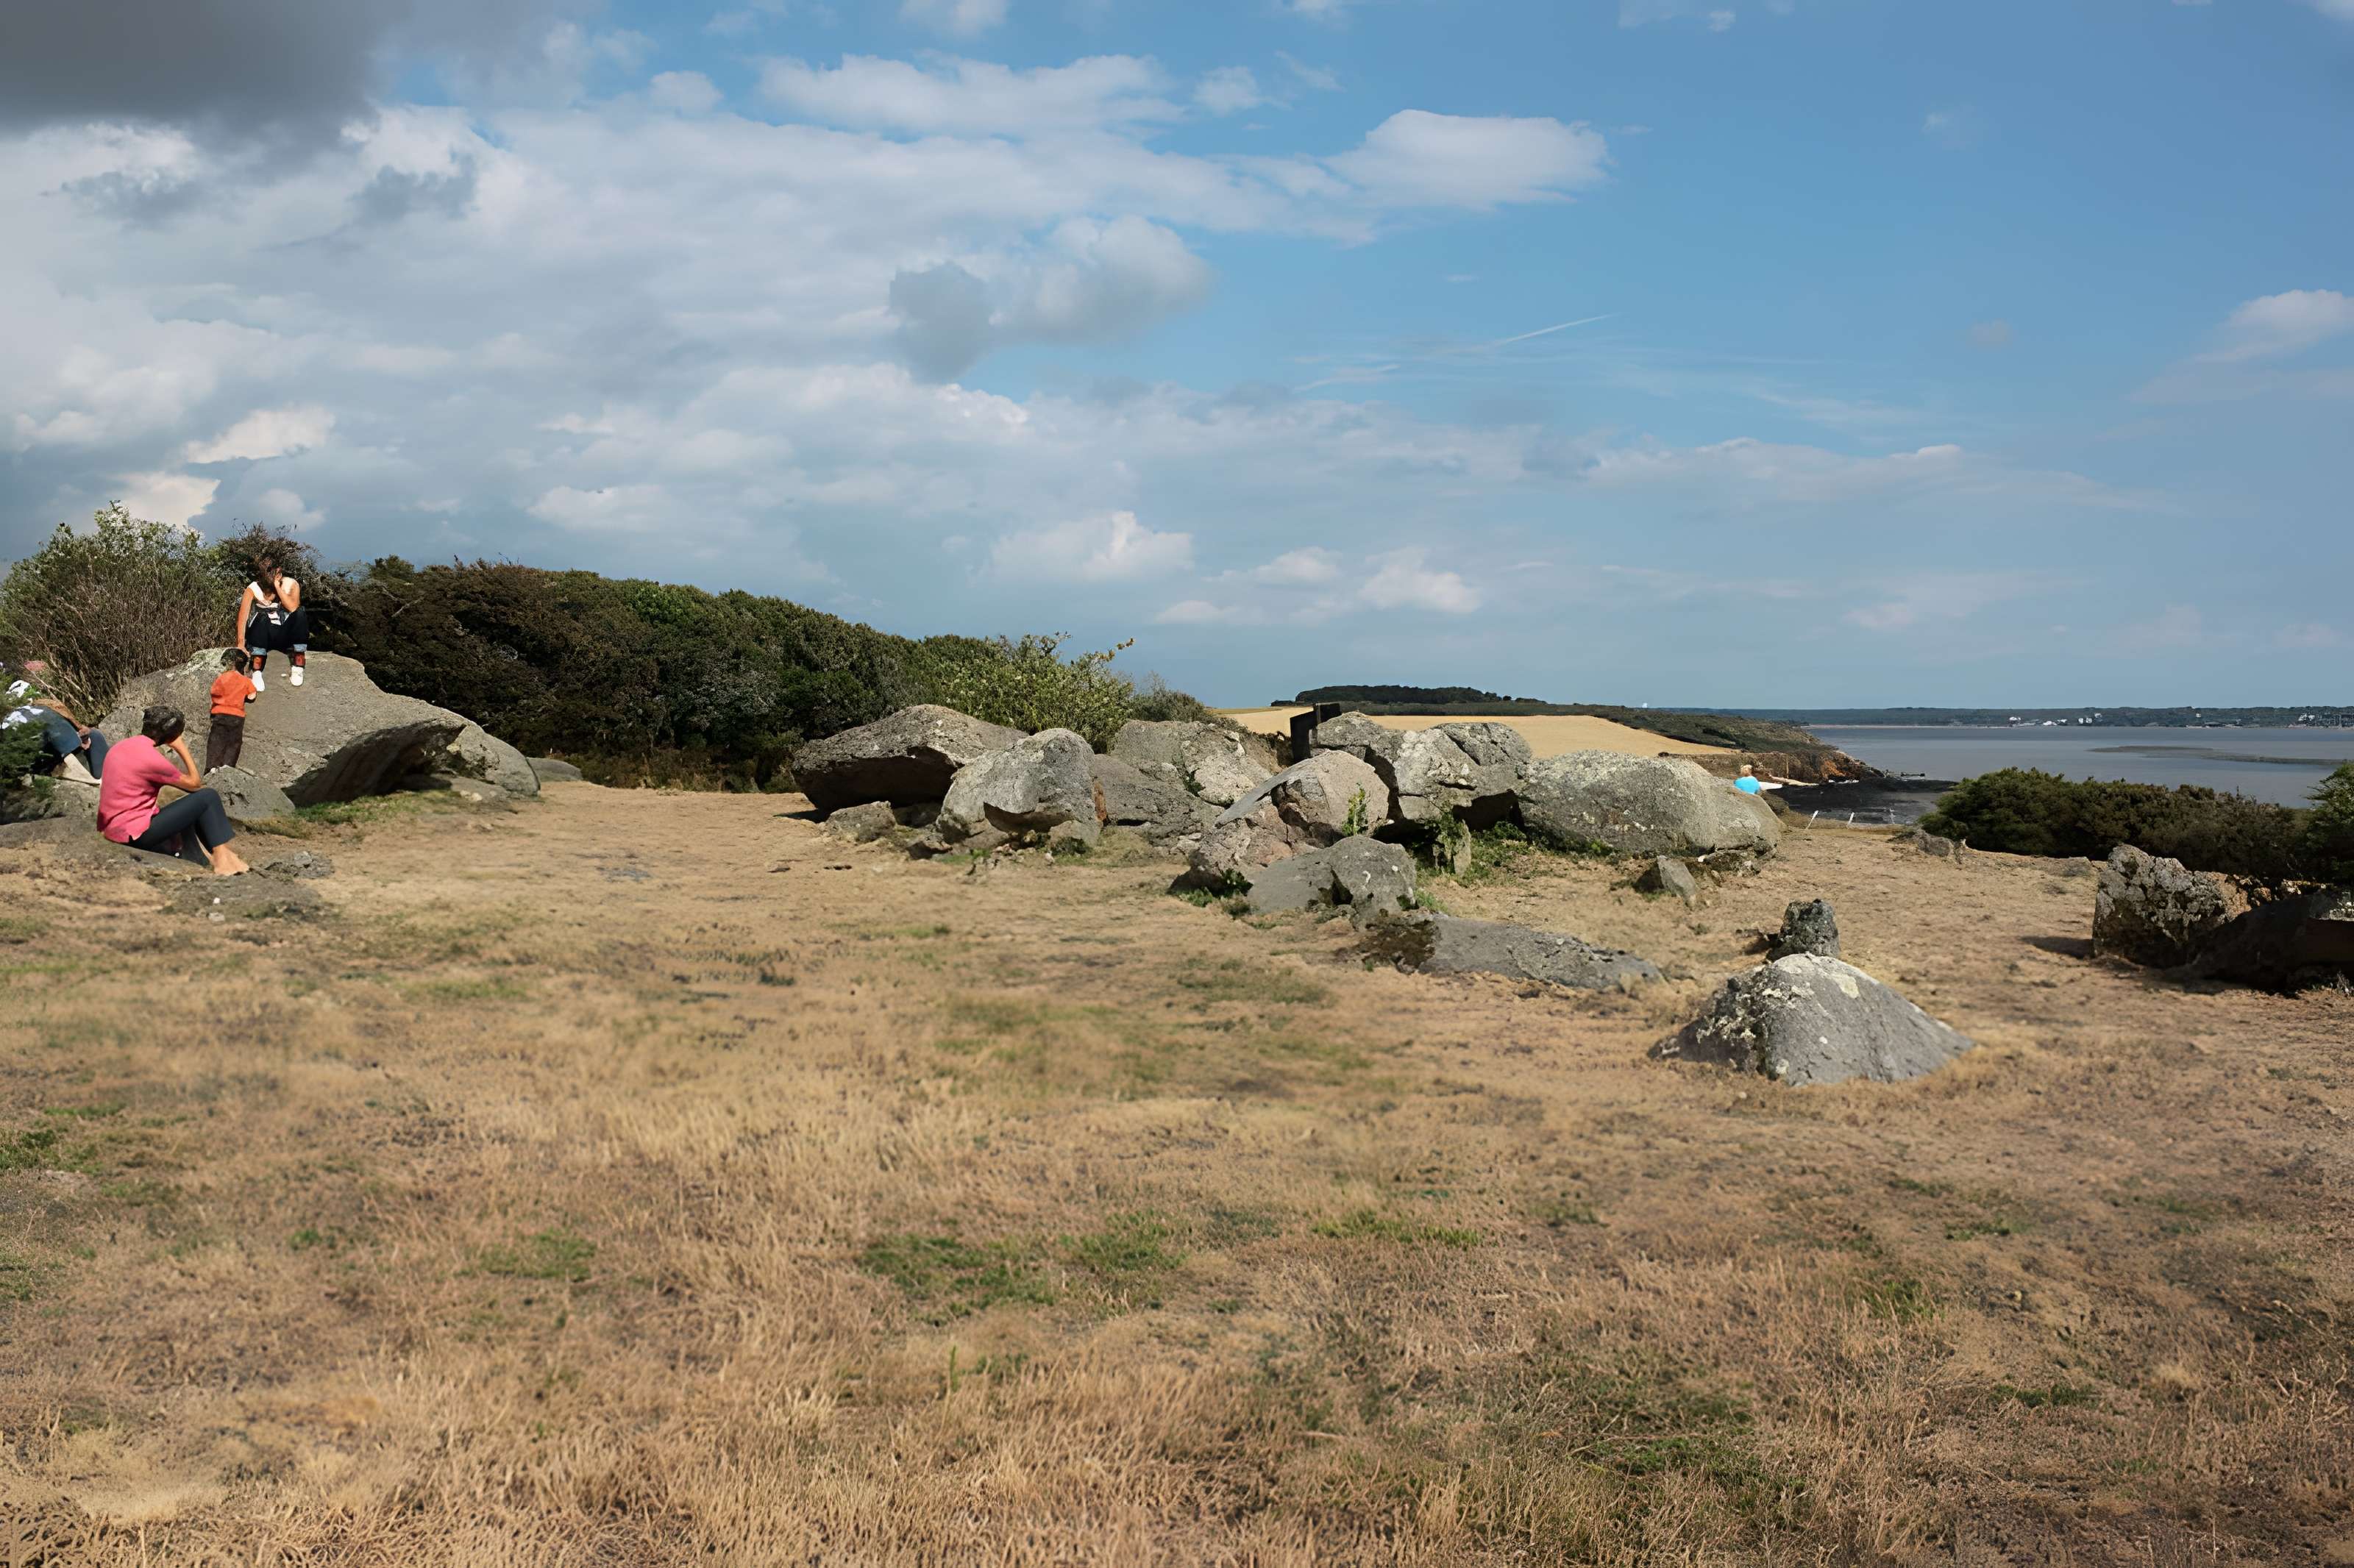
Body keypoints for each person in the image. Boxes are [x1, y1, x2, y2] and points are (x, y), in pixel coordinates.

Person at [96, 705, 250, 875]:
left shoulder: (121, 746)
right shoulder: (152, 759)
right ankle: (222, 859)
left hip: (113, 829)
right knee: (208, 797)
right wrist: (181, 746)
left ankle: (222, 855)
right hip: (136, 835)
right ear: (171, 735)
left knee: (188, 808)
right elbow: (195, 784)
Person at [3, 658, 109, 782]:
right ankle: (103, 780)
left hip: (23, 764)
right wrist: (81, 735)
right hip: (51, 757)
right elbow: (69, 730)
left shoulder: (7, 719)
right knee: (95, 735)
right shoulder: (45, 708)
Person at [233, 556, 309, 691]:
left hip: (281, 633)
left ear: (278, 571)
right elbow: (243, 617)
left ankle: (298, 665)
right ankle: (257, 671)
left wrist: (277, 587)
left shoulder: (290, 584)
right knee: (261, 617)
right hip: (262, 636)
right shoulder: (253, 588)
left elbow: (293, 608)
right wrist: (240, 644)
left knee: (301, 613)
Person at [205, 649, 260, 772]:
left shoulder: (222, 678)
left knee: (216, 740)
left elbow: (214, 692)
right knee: (233, 742)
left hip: (219, 713)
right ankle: (228, 767)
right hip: (237, 716)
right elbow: (252, 696)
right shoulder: (246, 681)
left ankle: (212, 767)